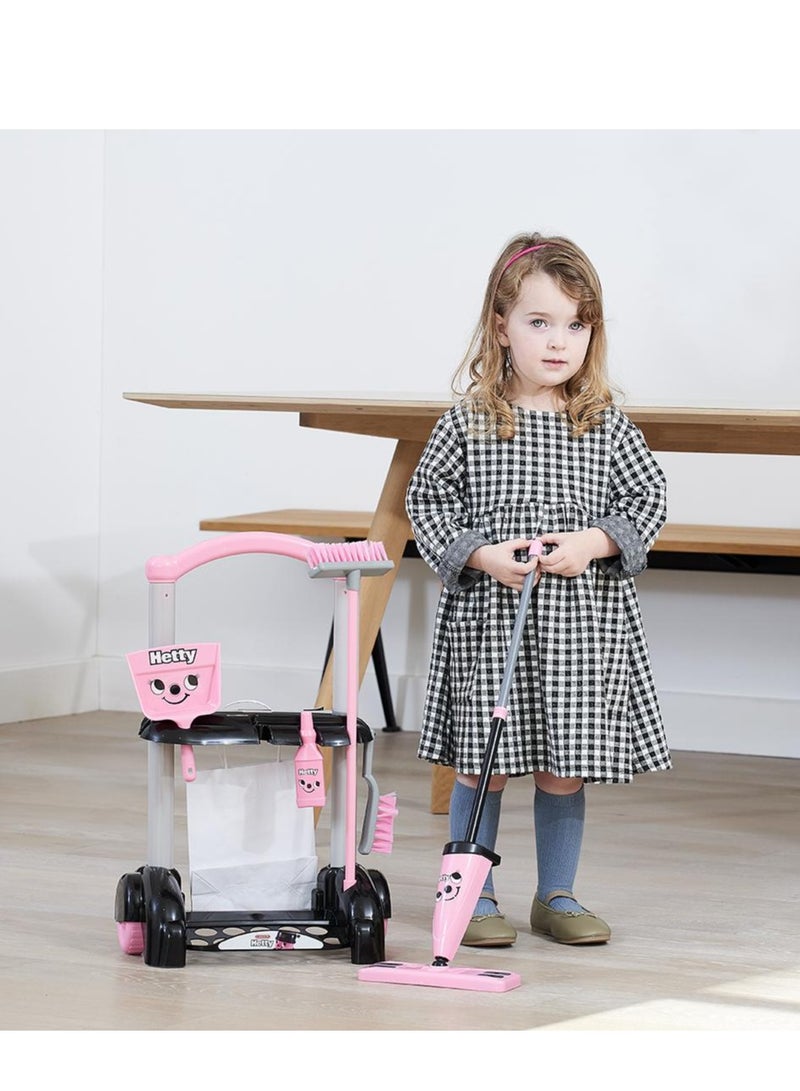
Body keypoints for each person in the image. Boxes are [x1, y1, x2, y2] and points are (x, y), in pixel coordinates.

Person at [405, 231, 671, 948]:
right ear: (501, 325)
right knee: (483, 766)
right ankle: (475, 891)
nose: (559, 341)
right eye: (540, 321)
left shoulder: (605, 427)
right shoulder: (467, 424)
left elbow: (646, 501)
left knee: (562, 769)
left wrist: (591, 543)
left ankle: (556, 892)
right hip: (492, 623)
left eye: (576, 325)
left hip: (578, 632)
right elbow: (426, 505)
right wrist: (482, 555)